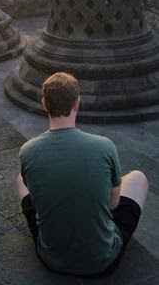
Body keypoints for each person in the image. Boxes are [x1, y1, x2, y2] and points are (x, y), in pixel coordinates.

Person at [16, 72, 148, 277]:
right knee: (138, 177)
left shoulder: (27, 150)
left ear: (44, 103)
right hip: (103, 261)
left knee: (20, 180)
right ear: (77, 103)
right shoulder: (104, 146)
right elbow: (113, 205)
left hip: (51, 258)